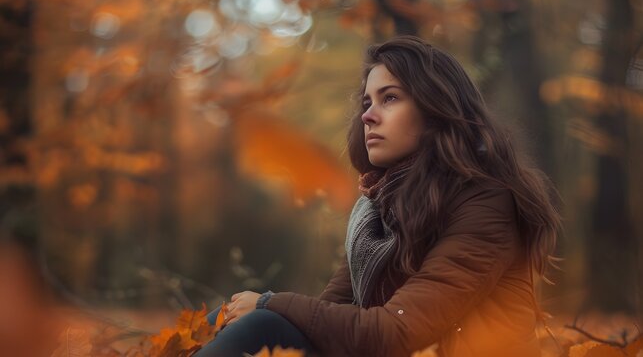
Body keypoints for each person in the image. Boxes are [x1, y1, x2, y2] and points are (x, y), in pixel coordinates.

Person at [195, 35, 561, 357]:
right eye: (367, 102)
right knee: (232, 319)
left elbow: (394, 332)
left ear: (436, 110)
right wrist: (268, 309)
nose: (368, 116)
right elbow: (325, 317)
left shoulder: (485, 202)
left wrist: (269, 302)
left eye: (390, 98)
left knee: (264, 323)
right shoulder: (376, 210)